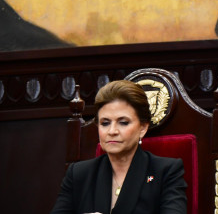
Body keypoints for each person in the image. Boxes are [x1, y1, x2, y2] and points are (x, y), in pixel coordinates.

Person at [50, 80, 187, 214]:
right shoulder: (79, 173)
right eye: (105, 123)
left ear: (143, 128)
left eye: (123, 122)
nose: (112, 131)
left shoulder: (166, 172)